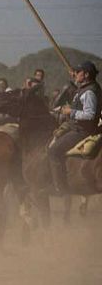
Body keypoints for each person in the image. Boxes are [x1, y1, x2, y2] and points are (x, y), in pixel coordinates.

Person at [47, 61, 100, 194]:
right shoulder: (87, 86)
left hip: (82, 131)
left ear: (86, 74)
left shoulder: (89, 93)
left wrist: (71, 112)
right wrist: (75, 76)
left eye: (78, 72)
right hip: (77, 127)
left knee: (54, 151)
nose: (75, 74)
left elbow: (90, 114)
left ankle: (60, 187)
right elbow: (78, 83)